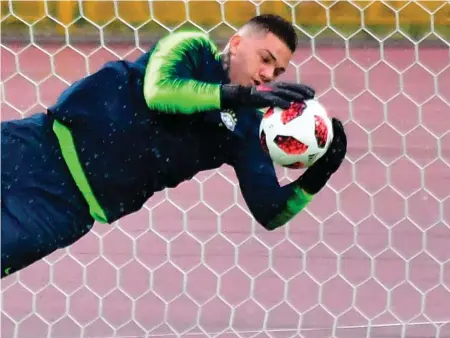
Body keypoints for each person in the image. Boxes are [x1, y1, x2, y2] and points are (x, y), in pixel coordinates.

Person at [1, 14, 347, 278]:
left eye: (279, 70)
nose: (270, 74)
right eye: (266, 59)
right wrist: (239, 96)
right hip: (35, 145)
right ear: (238, 44)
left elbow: (269, 210)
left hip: (63, 210)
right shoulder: (191, 47)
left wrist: (319, 175)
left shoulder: (247, 127)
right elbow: (160, 92)